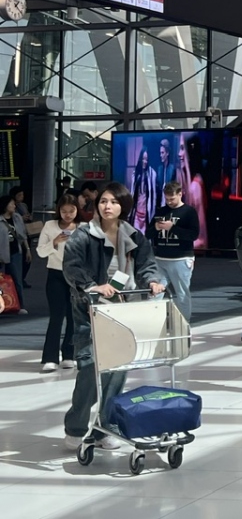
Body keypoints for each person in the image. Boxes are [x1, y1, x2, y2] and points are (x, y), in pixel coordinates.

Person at [62, 182, 166, 448]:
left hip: (122, 309)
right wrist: (92, 286)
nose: (107, 206)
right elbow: (72, 266)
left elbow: (147, 264)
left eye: (114, 202)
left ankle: (105, 427)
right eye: (103, 201)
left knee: (118, 369)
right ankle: (75, 426)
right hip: (90, 309)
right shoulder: (84, 234)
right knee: (90, 367)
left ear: (124, 206)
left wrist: (153, 280)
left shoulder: (133, 235)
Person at [38, 194, 79, 371]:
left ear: (77, 210)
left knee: (73, 317)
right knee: (56, 316)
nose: (67, 215)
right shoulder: (50, 225)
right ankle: (50, 357)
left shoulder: (83, 228)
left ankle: (69, 354)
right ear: (58, 211)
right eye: (64, 211)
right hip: (55, 274)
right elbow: (41, 251)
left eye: (71, 211)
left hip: (76, 276)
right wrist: (55, 242)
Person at [150, 181, 200, 323]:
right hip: (160, 258)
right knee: (155, 292)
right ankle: (153, 323)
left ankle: (184, 324)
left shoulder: (189, 212)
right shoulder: (161, 211)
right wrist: (156, 227)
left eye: (172, 199)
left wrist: (172, 228)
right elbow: (148, 233)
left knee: (182, 293)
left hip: (181, 258)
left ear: (180, 194)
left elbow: (193, 235)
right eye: (167, 199)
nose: (169, 202)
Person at [0, 195, 30, 312]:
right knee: (2, 280)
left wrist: (27, 249)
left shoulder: (17, 217)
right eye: (11, 203)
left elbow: (23, 235)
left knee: (17, 279)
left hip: (15, 252)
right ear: (5, 205)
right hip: (1, 253)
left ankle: (20, 305)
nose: (14, 205)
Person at [130, 148, 156, 234]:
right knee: (136, 236)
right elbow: (132, 193)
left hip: (147, 214)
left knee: (145, 238)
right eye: (143, 159)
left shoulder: (152, 174)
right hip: (137, 213)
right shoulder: (135, 174)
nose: (145, 161)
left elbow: (154, 197)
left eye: (147, 159)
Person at [155, 138, 176, 210]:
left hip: (169, 205)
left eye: (162, 153)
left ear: (167, 153)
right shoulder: (159, 169)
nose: (160, 155)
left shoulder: (172, 169)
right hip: (160, 205)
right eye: (160, 153)